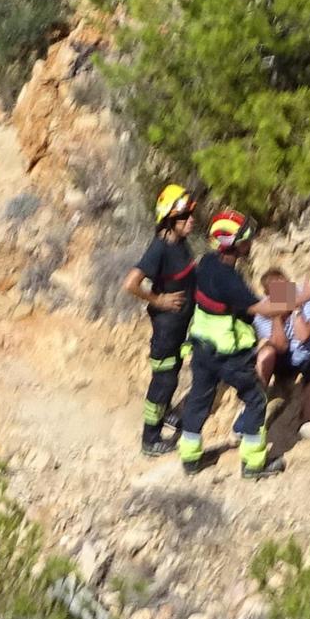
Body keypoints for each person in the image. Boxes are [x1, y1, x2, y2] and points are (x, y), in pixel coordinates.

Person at [178, 211, 296, 479]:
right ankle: (254, 464)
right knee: (255, 399)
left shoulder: (208, 262)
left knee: (199, 398)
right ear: (235, 243)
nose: (251, 241)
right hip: (228, 353)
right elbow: (261, 308)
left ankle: (190, 457)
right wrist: (299, 295)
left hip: (202, 347)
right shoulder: (228, 278)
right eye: (247, 237)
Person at [120, 184, 197, 458]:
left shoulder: (180, 243)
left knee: (172, 376)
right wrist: (159, 300)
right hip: (166, 329)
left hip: (180, 326)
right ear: (169, 220)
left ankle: (165, 415)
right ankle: (150, 438)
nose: (191, 220)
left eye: (190, 214)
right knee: (163, 381)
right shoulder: (160, 248)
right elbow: (131, 283)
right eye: (184, 217)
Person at [253, 267, 310, 442]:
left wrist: (297, 308)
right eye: (277, 293)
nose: (285, 295)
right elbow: (280, 346)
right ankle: (254, 401)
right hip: (287, 354)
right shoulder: (263, 311)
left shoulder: (304, 296)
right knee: (265, 353)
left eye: (286, 289)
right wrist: (277, 316)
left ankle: (308, 421)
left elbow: (304, 335)